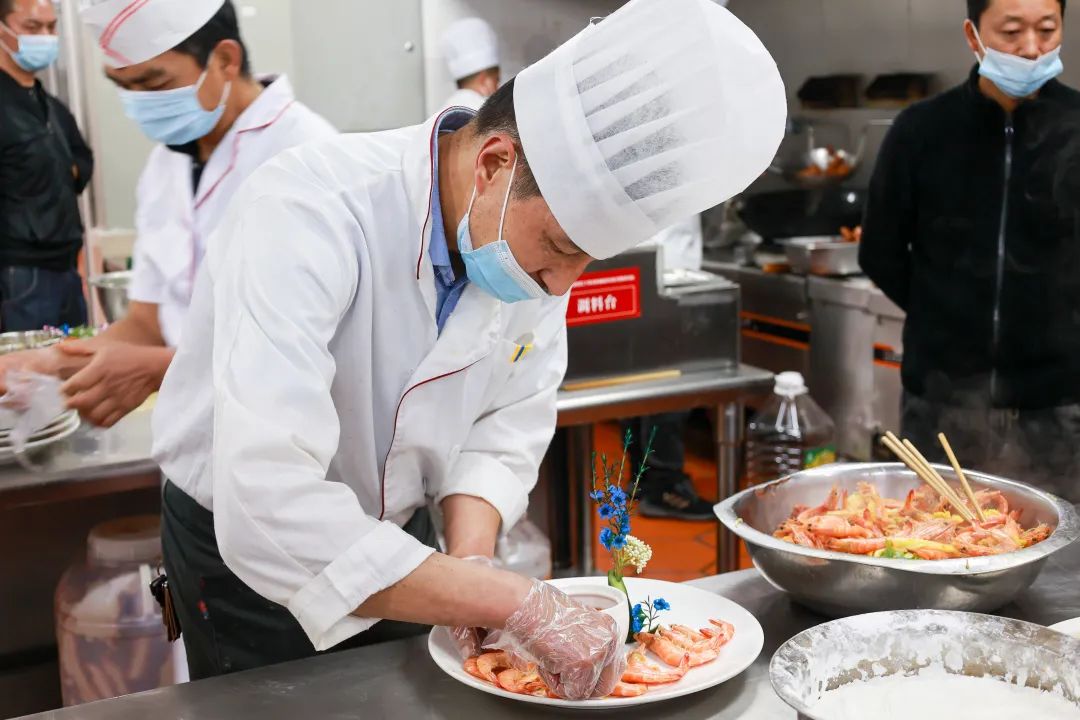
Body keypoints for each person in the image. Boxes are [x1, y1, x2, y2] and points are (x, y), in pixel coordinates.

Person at [151, 0, 785, 695]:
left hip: (405, 537)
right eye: (559, 248)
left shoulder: (527, 237)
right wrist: (509, 600)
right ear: (493, 164)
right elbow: (268, 498)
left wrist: (474, 564)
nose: (561, 283)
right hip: (245, 563)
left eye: (586, 260)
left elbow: (505, 423)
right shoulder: (309, 211)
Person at [0, 0, 335, 428]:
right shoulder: (166, 165)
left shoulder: (308, 157)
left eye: (153, 82)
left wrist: (156, 368)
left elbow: (317, 345)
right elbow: (148, 323)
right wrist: (50, 363)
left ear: (225, 60)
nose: (138, 103)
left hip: (288, 440)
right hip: (190, 440)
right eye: (123, 86)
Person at [860, 0, 1080, 503]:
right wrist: (947, 313)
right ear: (972, 35)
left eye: (1047, 30)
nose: (1031, 48)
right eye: (1011, 31)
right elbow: (879, 250)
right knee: (931, 536)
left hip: (1061, 407)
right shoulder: (921, 130)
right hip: (942, 404)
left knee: (1063, 546)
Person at [0, 0, 93, 331]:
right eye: (32, 27)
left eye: (51, 27)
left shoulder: (51, 106)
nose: (45, 36)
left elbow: (82, 162)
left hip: (66, 269)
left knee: (75, 358)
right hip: (19, 275)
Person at [623, 215, 715, 520]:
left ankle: (642, 478)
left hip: (641, 271)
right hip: (669, 278)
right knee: (670, 385)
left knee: (641, 380)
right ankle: (664, 486)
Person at [440, 17, 499, 111]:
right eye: (497, 80)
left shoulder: (442, 112)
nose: (498, 88)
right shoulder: (490, 114)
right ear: (484, 81)